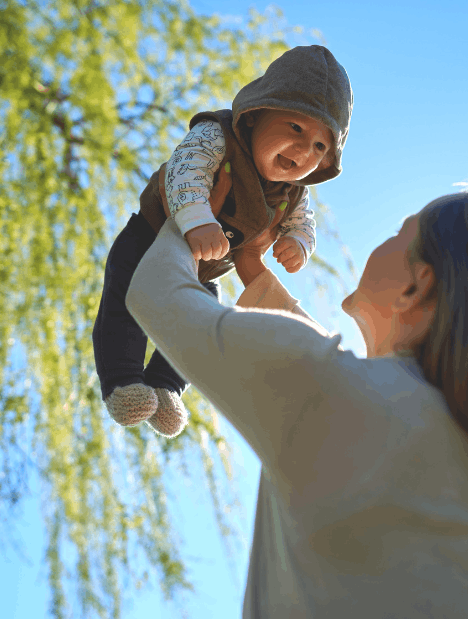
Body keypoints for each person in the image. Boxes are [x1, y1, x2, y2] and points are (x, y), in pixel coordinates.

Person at [125, 170, 468, 618]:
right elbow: (354, 390)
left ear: (416, 287)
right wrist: (256, 275)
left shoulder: (328, 396)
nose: (386, 237)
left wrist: (192, 217)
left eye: (401, 232)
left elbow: (156, 293)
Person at [92, 45, 352, 436]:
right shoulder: (218, 136)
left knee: (201, 322)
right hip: (149, 237)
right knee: (126, 300)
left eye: (320, 146)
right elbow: (185, 171)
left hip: (206, 270)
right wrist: (197, 219)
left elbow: (304, 222)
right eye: (296, 128)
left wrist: (298, 243)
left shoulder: (294, 192)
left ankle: (167, 386)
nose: (303, 151)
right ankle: (123, 380)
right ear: (255, 117)